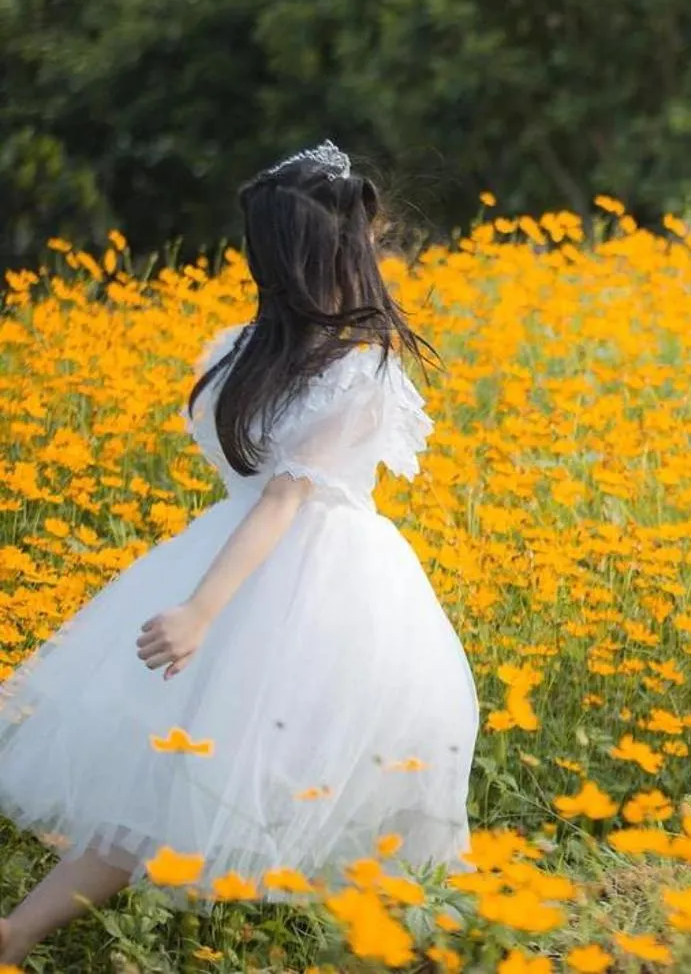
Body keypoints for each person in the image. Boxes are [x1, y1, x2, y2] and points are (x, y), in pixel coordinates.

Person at [0, 142, 478, 965]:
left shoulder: (241, 349)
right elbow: (287, 498)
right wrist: (201, 611)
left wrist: (201, 599)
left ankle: (15, 934)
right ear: (347, 251)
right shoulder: (356, 368)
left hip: (227, 558)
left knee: (160, 780)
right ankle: (411, 939)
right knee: (361, 769)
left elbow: (258, 489)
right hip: (308, 585)